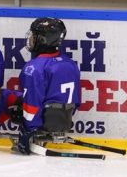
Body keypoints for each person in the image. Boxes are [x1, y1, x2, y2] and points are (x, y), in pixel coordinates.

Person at [11, 17, 81, 154]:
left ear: (43, 40)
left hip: (41, 122)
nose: (31, 39)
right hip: (64, 120)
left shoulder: (34, 67)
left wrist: (27, 131)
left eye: (34, 35)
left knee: (8, 99)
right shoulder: (71, 63)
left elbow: (32, 104)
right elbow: (76, 102)